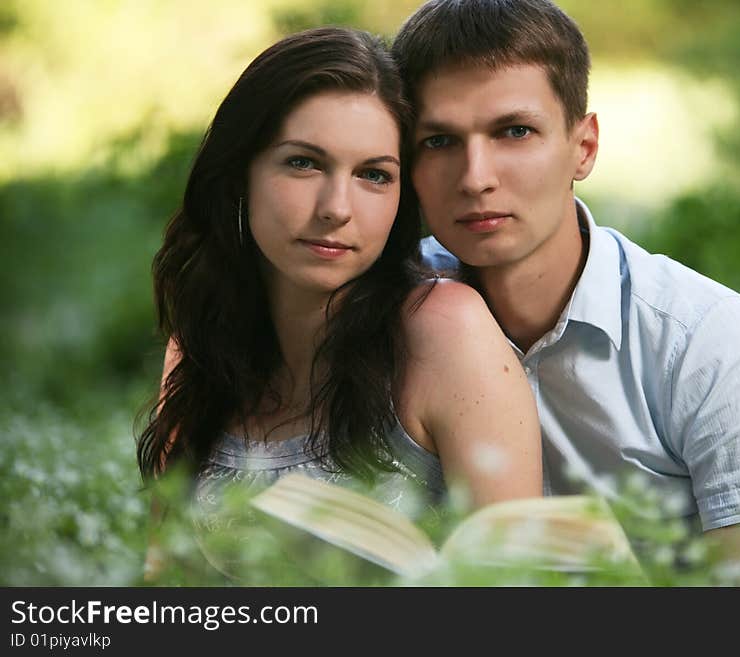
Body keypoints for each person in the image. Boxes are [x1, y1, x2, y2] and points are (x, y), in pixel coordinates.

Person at [391, 0, 740, 547]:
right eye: (440, 141)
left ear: (583, 147)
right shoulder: (387, 309)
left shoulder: (710, 342)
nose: (476, 178)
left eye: (515, 132)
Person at [137, 27, 543, 580]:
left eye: (374, 175)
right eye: (303, 163)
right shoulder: (201, 349)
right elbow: (164, 583)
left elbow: (518, 595)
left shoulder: (444, 332)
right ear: (239, 174)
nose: (337, 208)